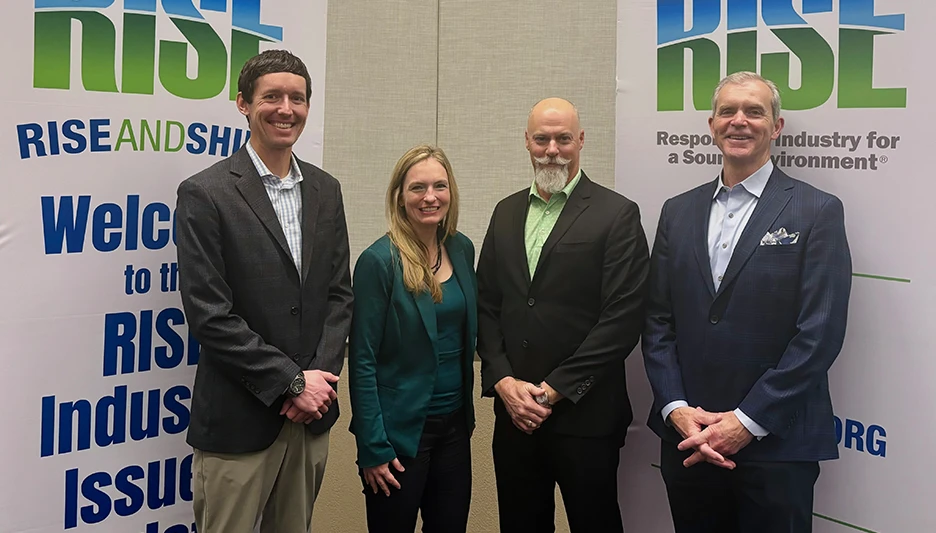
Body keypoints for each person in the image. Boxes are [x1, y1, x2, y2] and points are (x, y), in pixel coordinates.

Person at [642, 71, 852, 533]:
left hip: (775, 444)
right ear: (711, 124)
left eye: (754, 111)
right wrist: (675, 408)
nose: (740, 121)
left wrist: (747, 420)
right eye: (728, 111)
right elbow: (657, 321)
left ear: (776, 127)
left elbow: (820, 332)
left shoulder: (817, 210)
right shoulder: (677, 211)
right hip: (689, 440)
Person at [176, 49, 353, 533]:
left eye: (297, 98)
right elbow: (210, 315)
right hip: (239, 420)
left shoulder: (326, 190)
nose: (285, 108)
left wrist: (316, 381)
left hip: (310, 416)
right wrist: (291, 383)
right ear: (243, 104)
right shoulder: (205, 193)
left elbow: (340, 297)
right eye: (271, 96)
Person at [476, 97, 649, 532]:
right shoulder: (505, 211)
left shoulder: (617, 214)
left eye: (563, 139)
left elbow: (622, 319)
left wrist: (552, 391)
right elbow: (486, 305)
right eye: (542, 139)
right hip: (515, 415)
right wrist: (504, 382)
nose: (552, 149)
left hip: (585, 417)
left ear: (581, 141)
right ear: (527, 142)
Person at [349, 145, 477, 532]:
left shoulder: (462, 248)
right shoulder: (378, 261)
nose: (430, 197)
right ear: (400, 197)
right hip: (399, 436)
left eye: (440, 186)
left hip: (454, 428)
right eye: (417, 188)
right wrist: (372, 447)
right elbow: (363, 359)